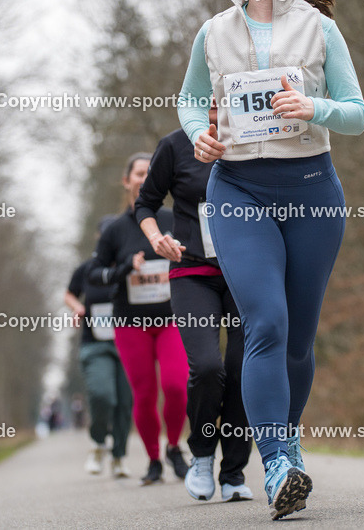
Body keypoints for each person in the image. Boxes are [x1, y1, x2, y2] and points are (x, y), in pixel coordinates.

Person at [177, 0, 364, 519]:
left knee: (299, 339)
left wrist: (312, 106)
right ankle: (279, 459)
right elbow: (188, 99)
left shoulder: (321, 29)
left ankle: (286, 437)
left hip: (312, 190)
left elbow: (357, 114)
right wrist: (198, 136)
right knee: (265, 321)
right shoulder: (213, 32)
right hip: (238, 191)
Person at [135, 104, 253, 503]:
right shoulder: (175, 145)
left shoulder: (257, 136)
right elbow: (145, 204)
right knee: (206, 367)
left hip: (247, 274)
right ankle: (202, 455)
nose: (217, 105)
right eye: (209, 96)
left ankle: (234, 473)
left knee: (242, 372)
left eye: (225, 93)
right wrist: (157, 240)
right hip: (192, 274)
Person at [88, 153, 190, 485]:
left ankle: (174, 447)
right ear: (127, 180)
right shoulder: (115, 230)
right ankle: (152, 460)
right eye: (139, 173)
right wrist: (125, 269)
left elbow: (196, 258)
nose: (145, 179)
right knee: (144, 395)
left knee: (176, 386)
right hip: (131, 325)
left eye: (151, 173)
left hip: (171, 319)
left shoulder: (174, 219)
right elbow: (94, 275)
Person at [63, 223, 133, 478]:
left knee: (125, 403)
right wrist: (76, 307)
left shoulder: (131, 266)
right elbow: (69, 294)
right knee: (103, 395)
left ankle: (119, 457)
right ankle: (98, 442)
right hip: (95, 344)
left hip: (129, 342)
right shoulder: (86, 269)